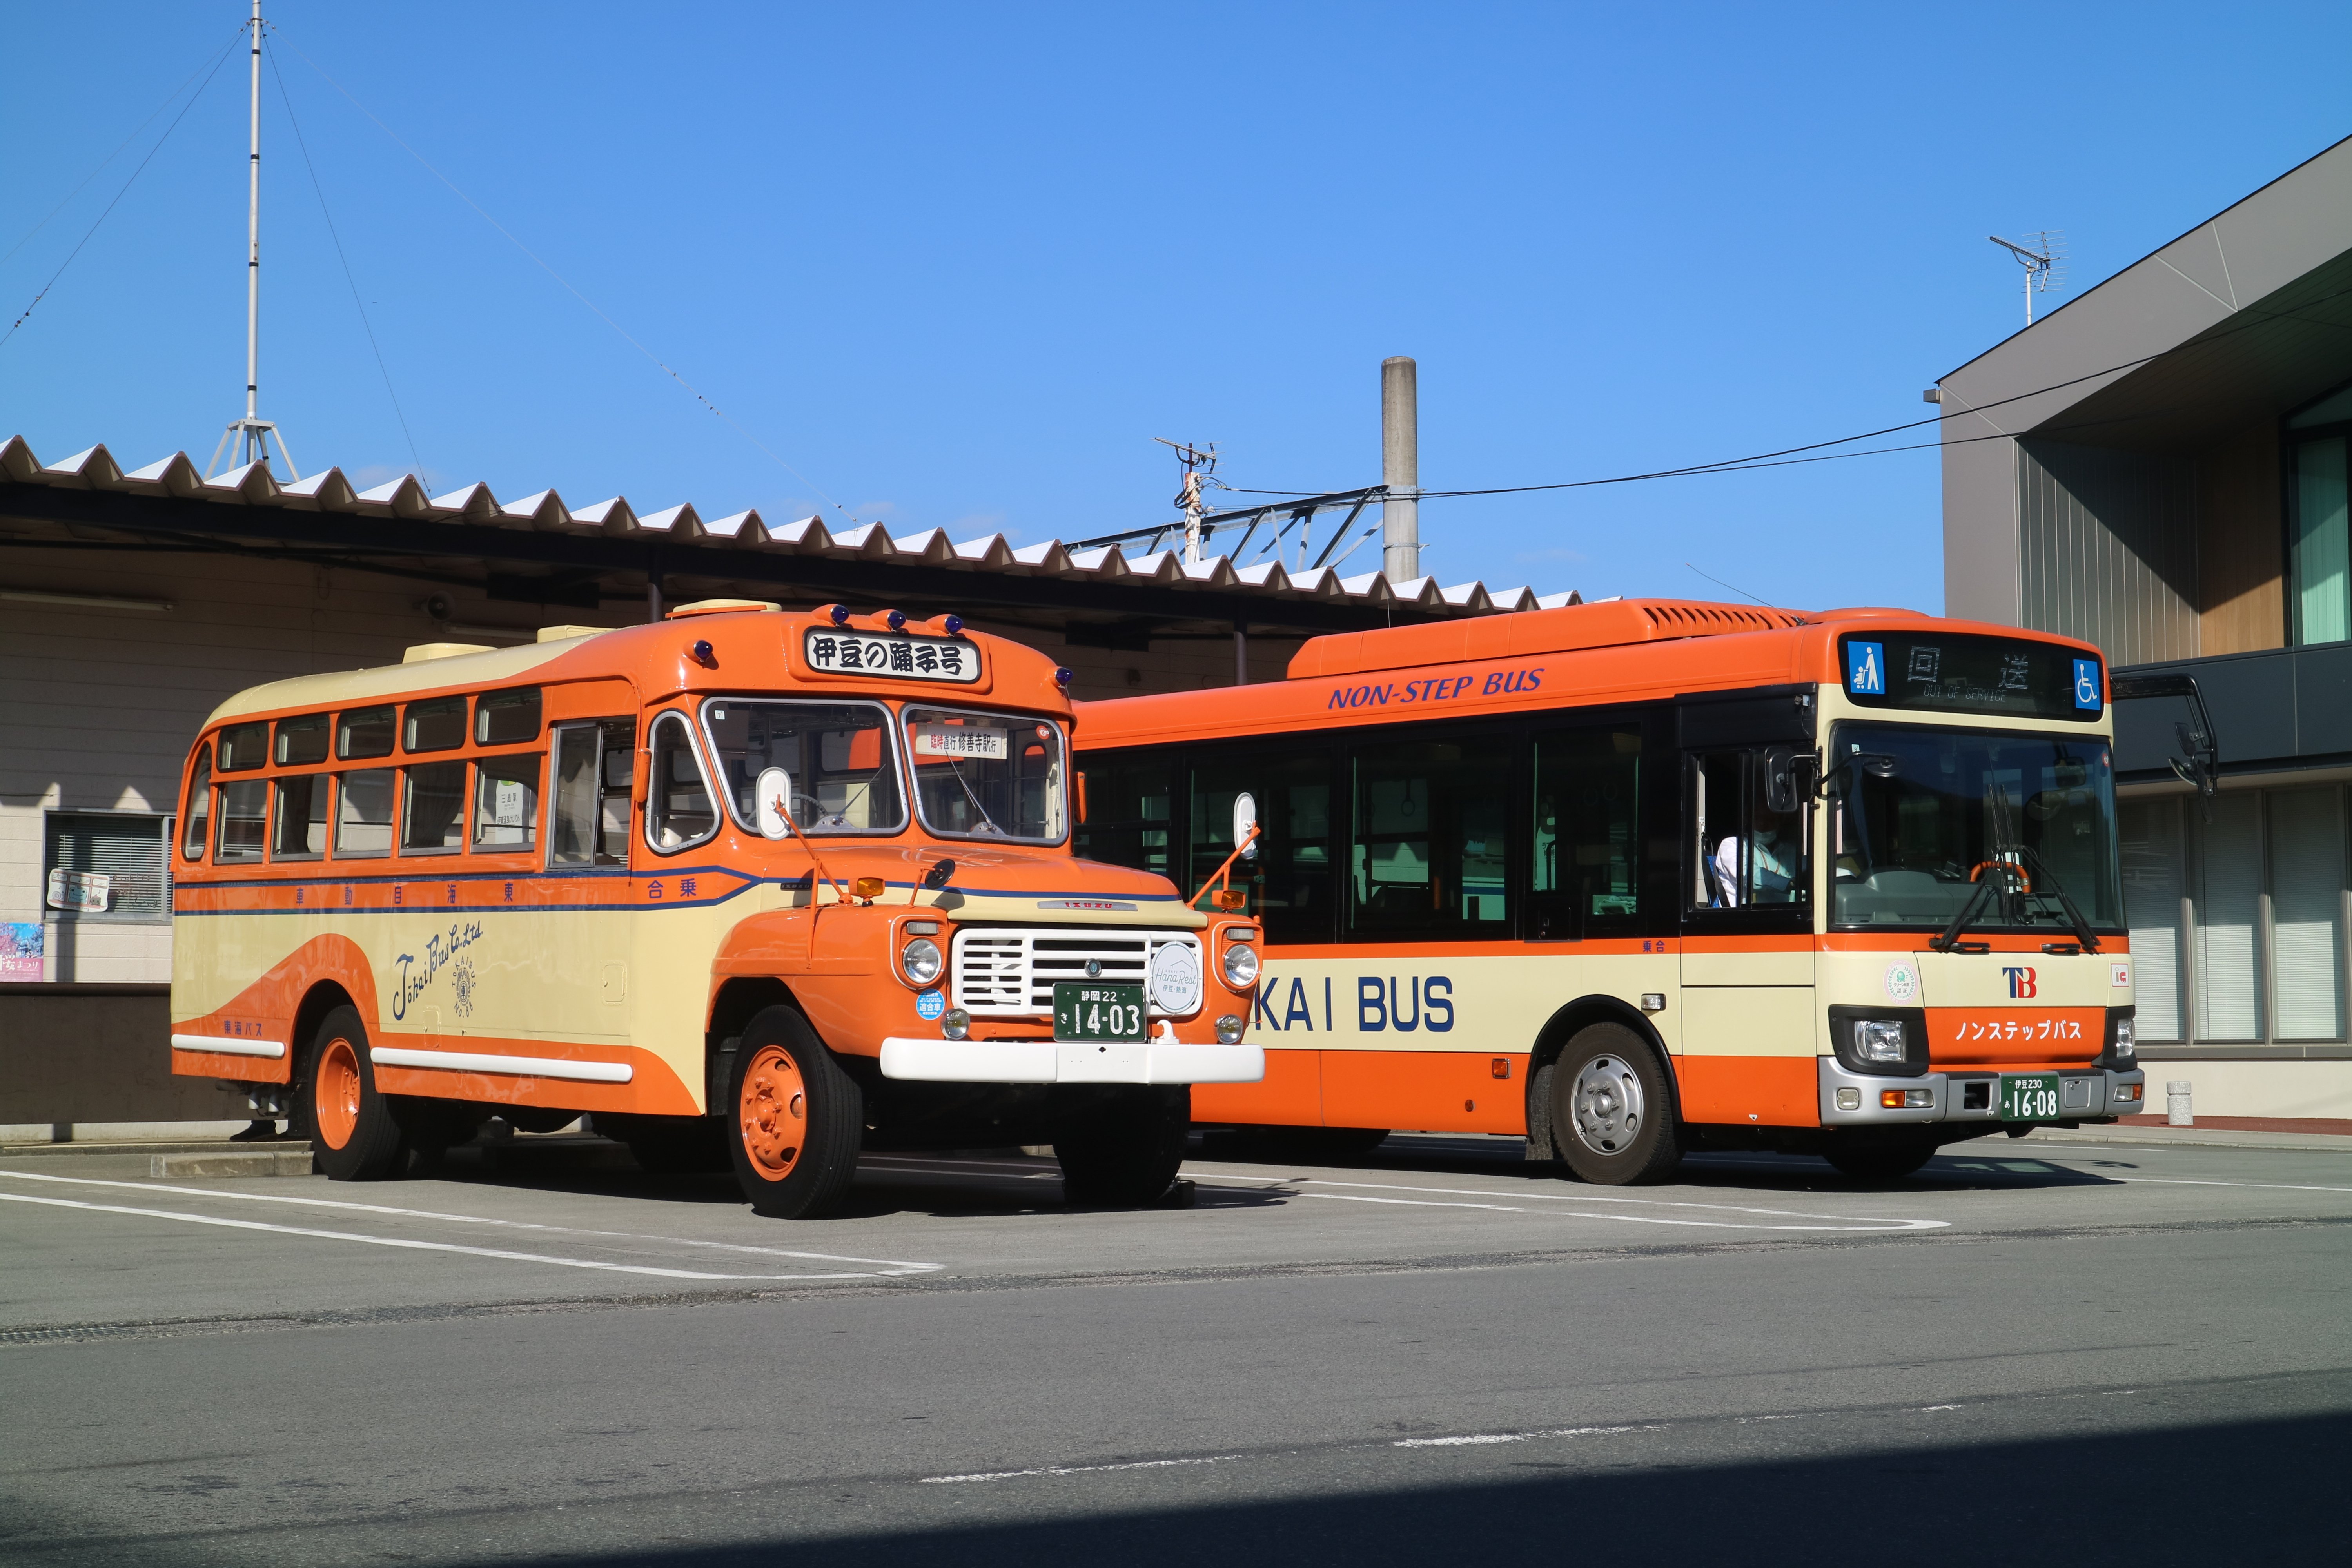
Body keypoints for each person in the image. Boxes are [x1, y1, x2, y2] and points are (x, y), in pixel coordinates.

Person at [1713, 823, 1797, 906]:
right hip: (1743, 915)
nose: (1764, 825)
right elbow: (1747, 874)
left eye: (1770, 820)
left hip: (1785, 914)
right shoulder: (1733, 844)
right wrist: (1788, 884)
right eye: (1759, 819)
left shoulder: (1789, 850)